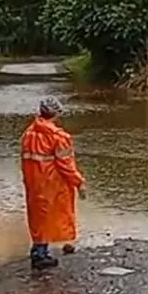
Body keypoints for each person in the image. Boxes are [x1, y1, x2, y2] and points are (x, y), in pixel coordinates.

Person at [21, 96, 86, 270]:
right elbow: (66, 165)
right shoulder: (59, 137)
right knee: (49, 217)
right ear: (55, 114)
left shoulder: (28, 133)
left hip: (33, 183)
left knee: (37, 217)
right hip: (52, 183)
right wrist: (79, 182)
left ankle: (38, 250)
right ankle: (40, 255)